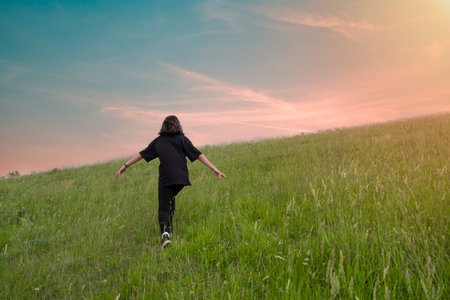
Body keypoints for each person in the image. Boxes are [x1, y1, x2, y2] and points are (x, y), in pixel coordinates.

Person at [116, 115, 226, 248]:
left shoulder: (158, 141)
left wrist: (125, 165)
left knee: (163, 207)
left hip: (166, 177)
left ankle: (165, 235)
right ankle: (170, 227)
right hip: (181, 178)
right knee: (170, 199)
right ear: (178, 125)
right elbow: (198, 154)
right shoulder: (182, 140)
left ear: (163, 126)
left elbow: (142, 154)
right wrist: (214, 169)